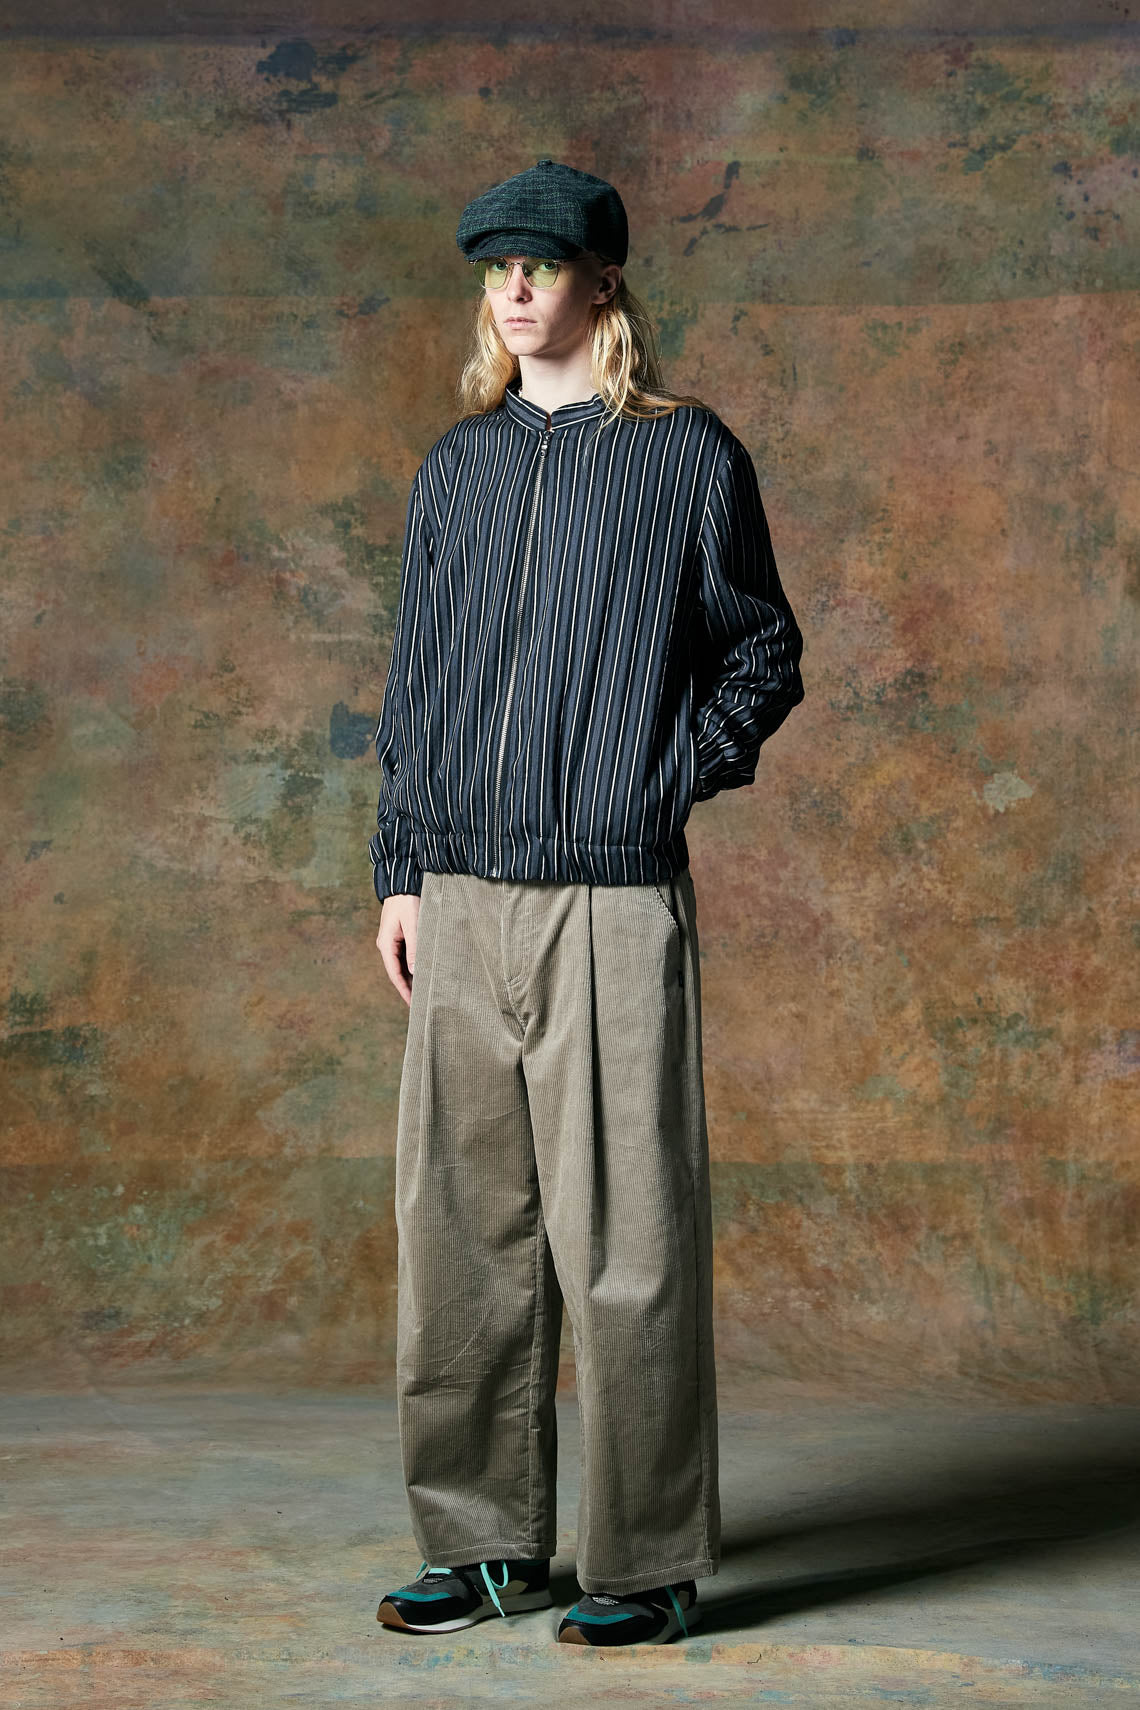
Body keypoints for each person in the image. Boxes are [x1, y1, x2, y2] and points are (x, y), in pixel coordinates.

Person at [369, 158, 805, 1647]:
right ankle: (484, 1545)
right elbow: (415, 686)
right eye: (495, 267)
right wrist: (399, 871)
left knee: (628, 1244)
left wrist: (664, 776)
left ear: (601, 280)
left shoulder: (684, 457)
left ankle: (644, 1561)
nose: (513, 288)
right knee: (458, 1241)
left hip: (612, 901)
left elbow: (761, 650)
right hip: (459, 895)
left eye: (540, 265)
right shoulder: (456, 469)